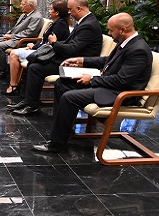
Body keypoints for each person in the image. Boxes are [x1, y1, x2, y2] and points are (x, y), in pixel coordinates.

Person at [33, 13, 152, 152]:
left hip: (120, 94)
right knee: (62, 84)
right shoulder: (127, 43)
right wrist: (81, 60)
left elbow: (122, 80)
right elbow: (108, 60)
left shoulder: (138, 50)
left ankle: (56, 144)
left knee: (69, 97)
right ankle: (62, 131)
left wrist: (93, 79)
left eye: (111, 30)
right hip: (109, 85)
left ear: (123, 30)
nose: (108, 33)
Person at [9, 0, 103, 115]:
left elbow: (72, 49)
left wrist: (54, 43)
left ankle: (31, 105)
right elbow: (71, 43)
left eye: (70, 9)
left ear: (79, 8)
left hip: (78, 63)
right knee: (34, 61)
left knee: (36, 68)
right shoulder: (84, 22)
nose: (69, 12)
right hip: (70, 59)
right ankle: (28, 100)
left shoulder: (88, 25)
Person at [2, 0, 71, 95]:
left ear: (57, 12)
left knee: (14, 53)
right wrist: (34, 46)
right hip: (40, 49)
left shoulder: (60, 24)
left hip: (46, 54)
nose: (49, 11)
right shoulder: (56, 22)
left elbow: (50, 45)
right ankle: (17, 84)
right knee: (14, 52)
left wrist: (34, 47)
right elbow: (45, 40)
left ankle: (14, 85)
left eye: (51, 9)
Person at [0, 0, 44, 79]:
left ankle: (2, 71)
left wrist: (11, 36)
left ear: (30, 6)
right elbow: (16, 28)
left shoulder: (36, 17)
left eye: (23, 4)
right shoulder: (24, 14)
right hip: (15, 37)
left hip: (23, 41)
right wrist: (8, 34)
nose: (20, 6)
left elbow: (29, 33)